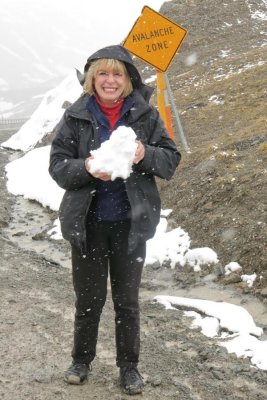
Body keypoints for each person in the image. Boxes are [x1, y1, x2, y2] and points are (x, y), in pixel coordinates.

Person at [49, 44, 181, 395]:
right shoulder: (76, 116)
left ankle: (129, 368)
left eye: (117, 74)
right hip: (88, 225)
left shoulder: (145, 116)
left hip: (131, 225)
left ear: (127, 80)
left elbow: (170, 160)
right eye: (103, 74)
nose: (110, 80)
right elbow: (58, 166)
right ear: (93, 79)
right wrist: (88, 168)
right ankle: (81, 361)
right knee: (88, 300)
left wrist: (143, 153)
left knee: (127, 301)